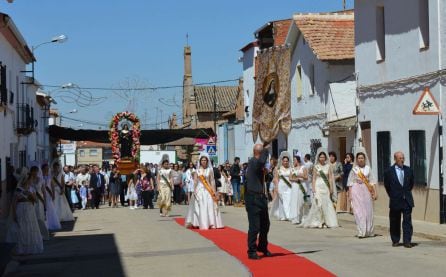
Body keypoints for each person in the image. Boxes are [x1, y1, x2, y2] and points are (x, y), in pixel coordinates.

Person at [6, 167, 44, 255]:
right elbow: (14, 202)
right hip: (20, 208)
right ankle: (22, 248)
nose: (31, 181)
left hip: (29, 209)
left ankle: (31, 247)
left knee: (31, 227)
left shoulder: (32, 189)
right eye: (30, 179)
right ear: (26, 180)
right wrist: (14, 214)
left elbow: (36, 200)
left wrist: (30, 194)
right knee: (22, 228)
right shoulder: (18, 189)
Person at [300, 148, 338, 228]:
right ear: (318, 158)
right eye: (321, 157)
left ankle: (326, 221)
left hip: (325, 186)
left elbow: (330, 178)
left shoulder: (328, 166)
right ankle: (318, 221)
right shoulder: (316, 167)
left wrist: (331, 188)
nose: (322, 158)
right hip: (318, 186)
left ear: (325, 158)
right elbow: (314, 178)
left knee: (326, 204)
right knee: (318, 203)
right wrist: (313, 188)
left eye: (323, 157)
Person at [384, 151, 415, 248]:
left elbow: (411, 184)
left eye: (403, 158)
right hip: (395, 200)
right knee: (394, 221)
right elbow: (387, 185)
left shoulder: (408, 170)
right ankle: (395, 240)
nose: (402, 160)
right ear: (395, 159)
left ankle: (407, 241)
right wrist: (393, 195)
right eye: (400, 158)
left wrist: (405, 193)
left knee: (407, 221)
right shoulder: (389, 171)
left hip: (407, 200)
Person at [245, 143, 271, 260]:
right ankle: (251, 251)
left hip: (261, 197)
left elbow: (264, 173)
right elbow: (261, 162)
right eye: (263, 154)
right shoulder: (253, 162)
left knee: (265, 225)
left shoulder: (258, 165)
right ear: (258, 153)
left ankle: (262, 246)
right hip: (253, 198)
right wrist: (266, 149)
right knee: (255, 227)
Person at [185, 152, 223, 230]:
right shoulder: (197, 170)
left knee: (209, 205)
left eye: (205, 160)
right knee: (199, 206)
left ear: (207, 161)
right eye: (202, 160)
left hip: (208, 189)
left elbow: (212, 181)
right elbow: (195, 181)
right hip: (199, 189)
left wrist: (214, 191)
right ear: (200, 161)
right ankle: (198, 222)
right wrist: (194, 190)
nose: (204, 161)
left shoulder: (210, 170)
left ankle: (211, 223)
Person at [347, 149, 377, 238]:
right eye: (359, 158)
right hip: (356, 190)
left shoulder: (368, 169)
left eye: (362, 158)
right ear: (357, 159)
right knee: (358, 211)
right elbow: (350, 183)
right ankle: (361, 231)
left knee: (368, 211)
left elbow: (372, 181)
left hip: (366, 190)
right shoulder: (354, 169)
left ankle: (369, 231)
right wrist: (350, 194)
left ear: (365, 159)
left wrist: (375, 192)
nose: (360, 159)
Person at [28, 163, 49, 240]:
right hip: (31, 200)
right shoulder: (28, 180)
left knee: (40, 218)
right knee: (32, 218)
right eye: (33, 171)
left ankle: (43, 234)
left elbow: (43, 191)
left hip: (39, 201)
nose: (34, 173)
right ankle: (34, 235)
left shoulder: (41, 180)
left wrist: (45, 202)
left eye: (36, 171)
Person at [270, 152, 292, 221]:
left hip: (289, 186)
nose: (285, 162)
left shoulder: (291, 168)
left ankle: (289, 215)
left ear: (288, 161)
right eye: (284, 161)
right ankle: (283, 215)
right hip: (281, 185)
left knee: (288, 200)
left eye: (286, 161)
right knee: (282, 201)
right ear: (282, 161)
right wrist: (276, 188)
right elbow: (276, 179)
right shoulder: (278, 169)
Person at [289, 156, 309, 225]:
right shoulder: (292, 169)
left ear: (298, 160)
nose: (293, 161)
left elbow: (306, 177)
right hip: (295, 186)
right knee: (295, 201)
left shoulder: (303, 168)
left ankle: (303, 217)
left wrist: (301, 176)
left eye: (294, 160)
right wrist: (295, 179)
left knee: (301, 201)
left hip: (302, 186)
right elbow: (290, 178)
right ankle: (296, 218)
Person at [42, 164, 61, 231]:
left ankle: (51, 223)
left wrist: (53, 194)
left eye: (47, 168)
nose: (47, 169)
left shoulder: (50, 177)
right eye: (45, 168)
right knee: (44, 208)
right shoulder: (41, 177)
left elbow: (52, 185)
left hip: (48, 194)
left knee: (50, 208)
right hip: (43, 194)